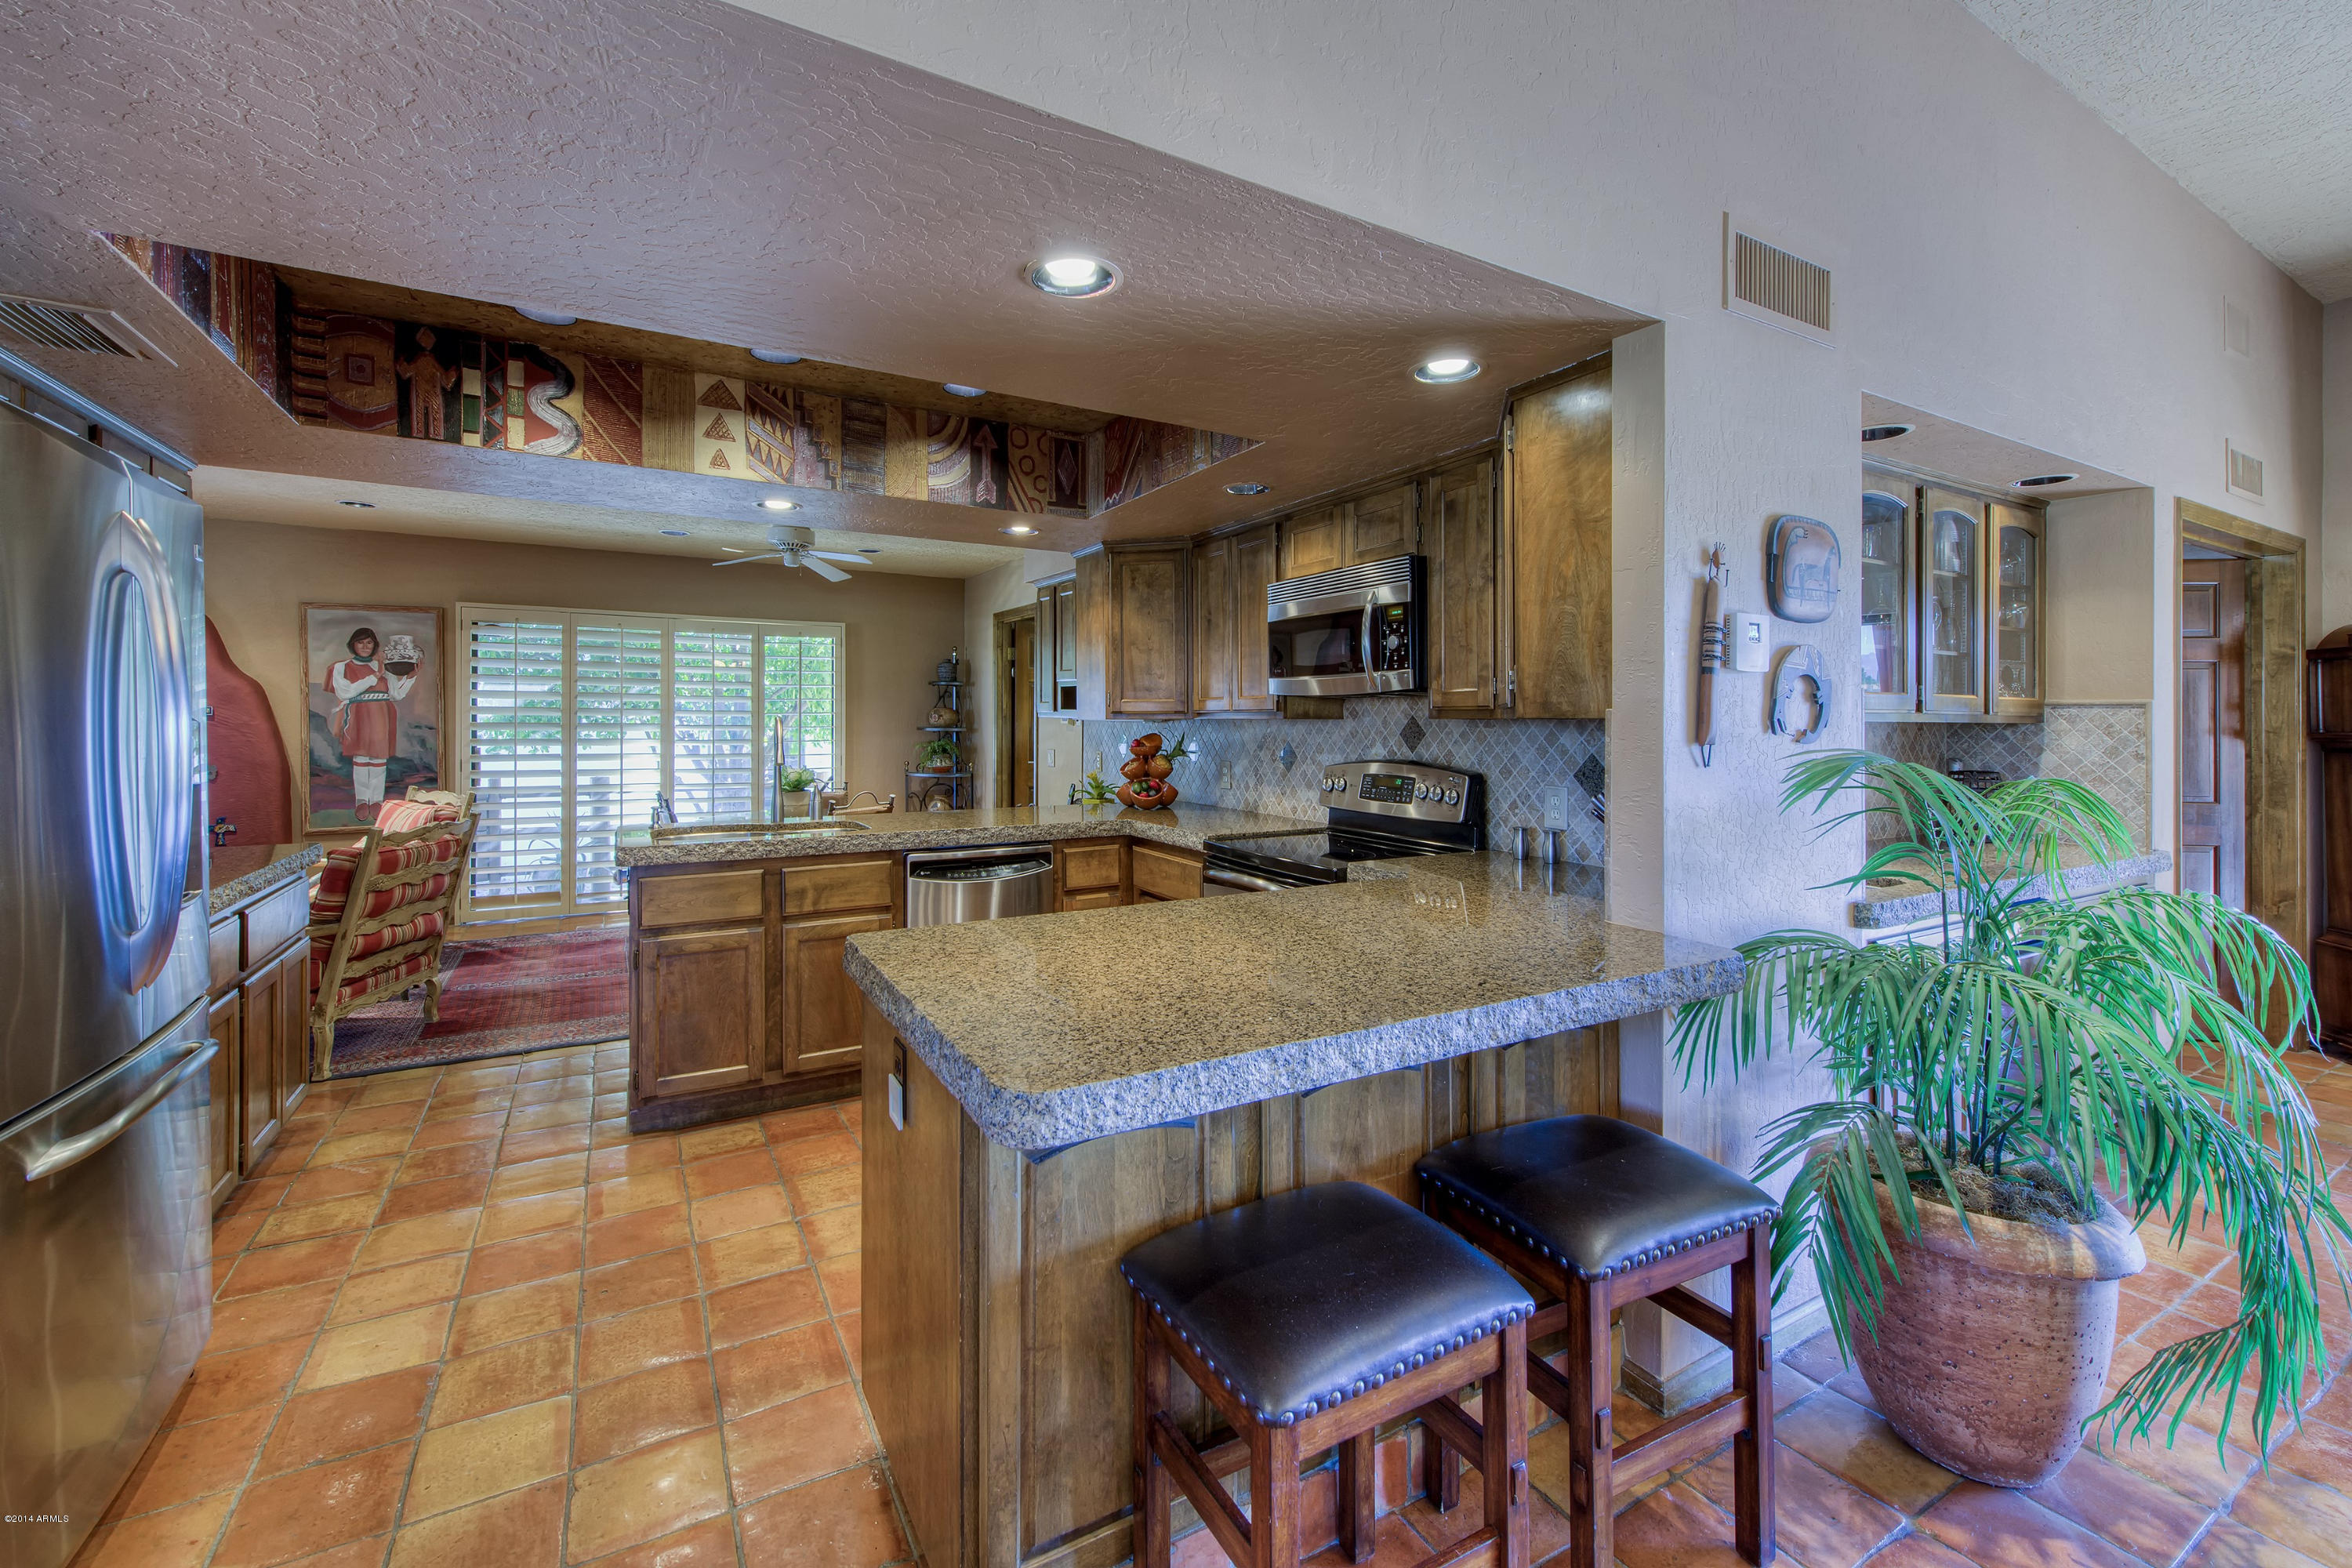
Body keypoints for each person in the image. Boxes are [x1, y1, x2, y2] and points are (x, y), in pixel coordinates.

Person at [326, 626, 416, 822]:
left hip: (381, 715)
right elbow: (345, 692)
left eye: (369, 642)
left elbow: (396, 694)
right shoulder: (342, 667)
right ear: (353, 645)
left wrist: (411, 677)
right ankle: (361, 801)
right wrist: (375, 676)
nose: (365, 646)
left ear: (375, 645)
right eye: (360, 642)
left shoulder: (385, 666)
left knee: (378, 760)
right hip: (358, 714)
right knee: (361, 759)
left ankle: (376, 800)